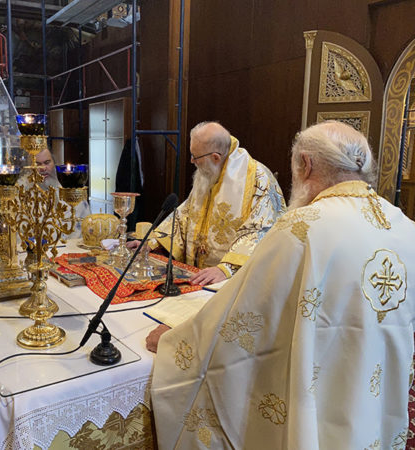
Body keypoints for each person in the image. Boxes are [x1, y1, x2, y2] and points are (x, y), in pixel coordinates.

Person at [148, 121, 415, 449]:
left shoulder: (302, 227)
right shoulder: (404, 226)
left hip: (318, 392)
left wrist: (179, 341)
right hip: (373, 391)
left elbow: (243, 317)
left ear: (306, 164)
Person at [134, 122, 285, 286]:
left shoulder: (258, 179)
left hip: (230, 282)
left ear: (215, 157)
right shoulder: (207, 174)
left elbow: (262, 230)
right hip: (196, 275)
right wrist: (154, 242)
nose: (191, 161)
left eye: (195, 157)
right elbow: (186, 213)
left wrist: (226, 268)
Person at [18, 148, 90, 238]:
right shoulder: (21, 194)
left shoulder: (71, 190)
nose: (43, 168)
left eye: (47, 162)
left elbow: (87, 228)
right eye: (37, 164)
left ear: (54, 163)